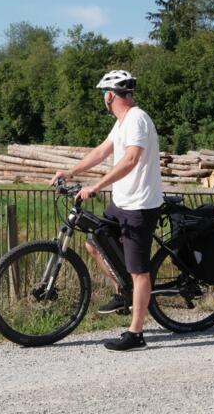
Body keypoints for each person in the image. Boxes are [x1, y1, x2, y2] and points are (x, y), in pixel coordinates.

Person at [50, 70, 164, 351]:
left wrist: (97, 186)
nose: (104, 98)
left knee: (139, 271)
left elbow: (131, 160)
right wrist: (72, 171)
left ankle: (136, 333)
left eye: (104, 93)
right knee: (94, 242)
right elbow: (102, 151)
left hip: (139, 204)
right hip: (122, 201)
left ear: (111, 95)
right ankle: (123, 291)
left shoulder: (137, 118)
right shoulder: (121, 122)